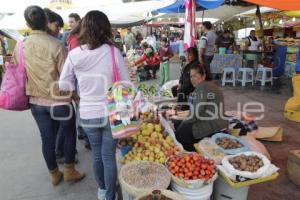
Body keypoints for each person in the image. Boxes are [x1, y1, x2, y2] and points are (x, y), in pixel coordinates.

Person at [59, 10, 130, 200]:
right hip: (111, 112)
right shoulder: (113, 52)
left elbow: (63, 85)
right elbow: (127, 84)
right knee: (108, 156)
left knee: (97, 155)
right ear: (105, 28)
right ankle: (110, 195)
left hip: (88, 113)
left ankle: (101, 189)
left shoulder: (74, 55)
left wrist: (78, 94)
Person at [21, 5, 85, 186]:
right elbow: (67, 77)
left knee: (46, 139)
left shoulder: (22, 45)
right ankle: (70, 171)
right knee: (69, 133)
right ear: (46, 22)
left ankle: (54, 174)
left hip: (36, 102)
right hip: (59, 101)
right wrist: (76, 97)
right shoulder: (57, 45)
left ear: (27, 23)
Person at [175, 64, 228, 151]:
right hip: (218, 122)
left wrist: (184, 122)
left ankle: (190, 153)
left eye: (195, 76)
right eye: (191, 76)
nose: (192, 79)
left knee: (182, 130)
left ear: (203, 76)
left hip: (213, 126)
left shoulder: (202, 87)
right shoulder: (209, 85)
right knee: (179, 123)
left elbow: (196, 113)